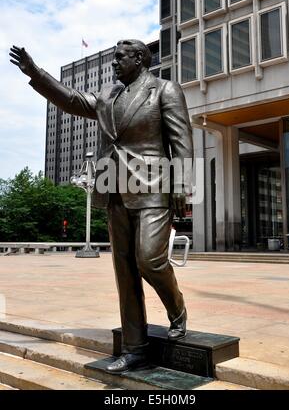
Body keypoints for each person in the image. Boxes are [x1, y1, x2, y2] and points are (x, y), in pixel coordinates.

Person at [9, 40, 194, 374]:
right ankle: (135, 348)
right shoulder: (108, 95)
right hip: (113, 191)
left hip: (153, 188)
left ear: (139, 58)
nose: (114, 63)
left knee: (149, 259)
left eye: (119, 58)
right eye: (112, 59)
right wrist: (35, 73)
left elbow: (181, 140)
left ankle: (177, 310)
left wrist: (181, 185)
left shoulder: (165, 90)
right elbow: (71, 100)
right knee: (125, 273)